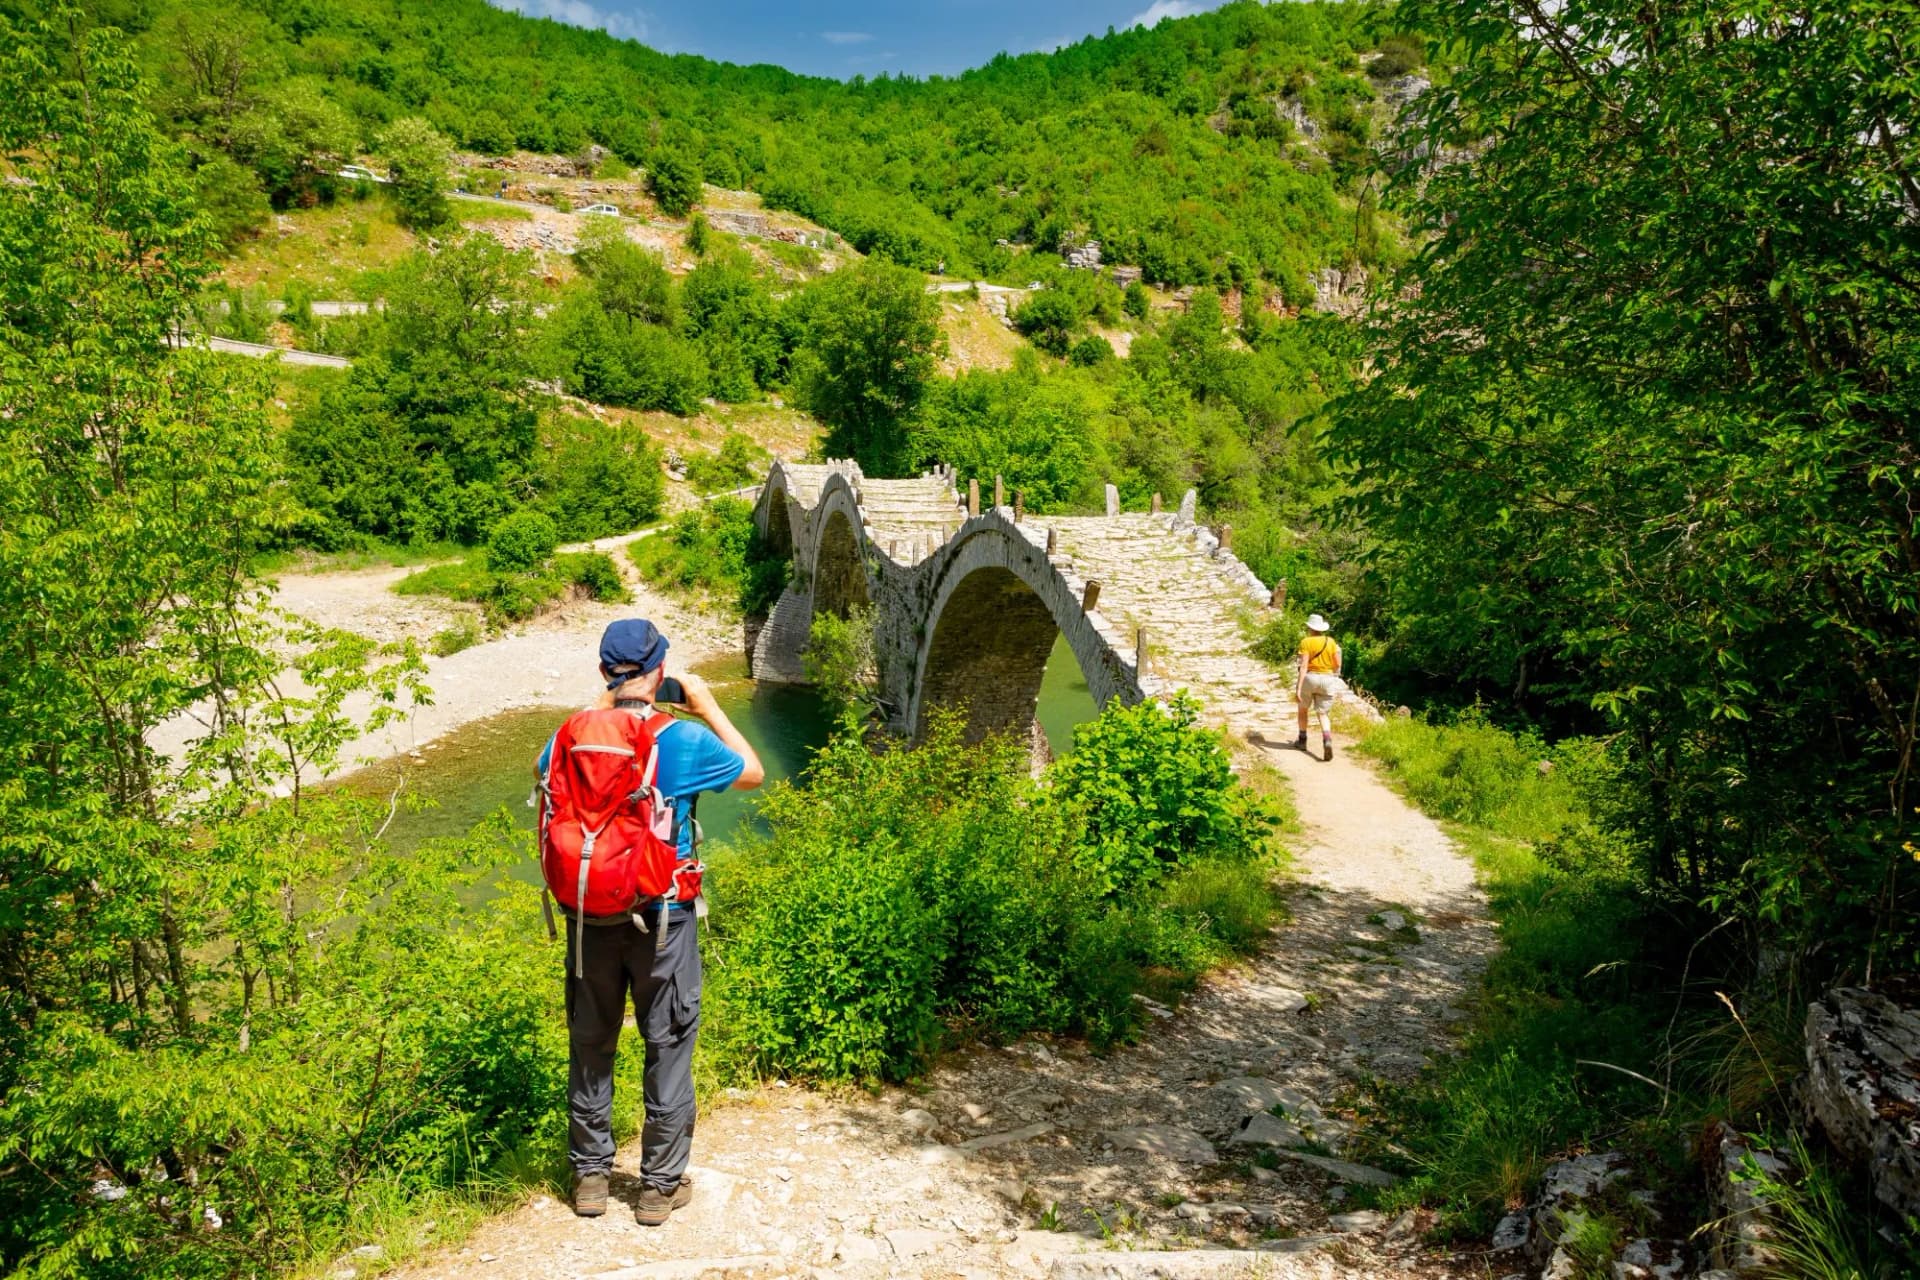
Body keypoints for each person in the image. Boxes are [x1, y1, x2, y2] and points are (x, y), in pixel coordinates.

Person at [538, 619, 764, 1225]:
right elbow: (753, 771)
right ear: (661, 671)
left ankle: (590, 1179)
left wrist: (600, 709)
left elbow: (550, 781)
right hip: (662, 918)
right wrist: (709, 705)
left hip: (588, 919)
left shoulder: (567, 735)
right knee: (666, 1044)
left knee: (591, 1044)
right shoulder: (682, 739)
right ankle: (658, 1189)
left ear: (605, 673)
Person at [1293, 613, 1343, 762]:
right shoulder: (1331, 642)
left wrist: (1298, 688)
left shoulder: (1306, 642)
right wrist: (1329, 671)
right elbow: (1338, 664)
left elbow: (1303, 667)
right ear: (1321, 628)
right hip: (1327, 679)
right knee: (1323, 713)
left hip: (1310, 677)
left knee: (1303, 709)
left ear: (1309, 627)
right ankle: (1327, 739)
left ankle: (1302, 740)